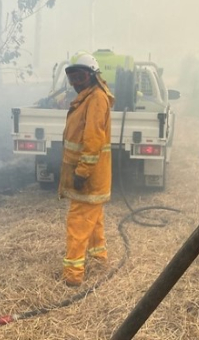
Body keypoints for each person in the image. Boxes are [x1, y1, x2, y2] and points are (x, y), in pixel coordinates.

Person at [59, 51, 114, 287]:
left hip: (89, 175)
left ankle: (73, 275)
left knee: (79, 222)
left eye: (80, 78)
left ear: (92, 76)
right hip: (91, 174)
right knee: (94, 218)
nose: (75, 84)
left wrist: (82, 172)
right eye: (72, 78)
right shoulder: (87, 97)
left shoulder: (96, 99)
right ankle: (99, 259)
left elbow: (92, 140)